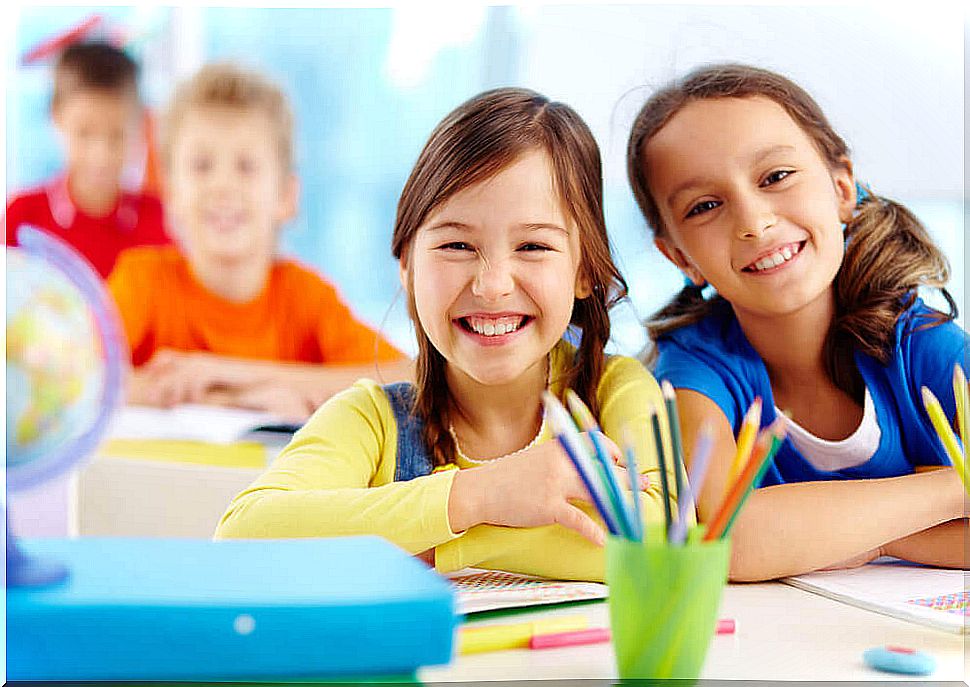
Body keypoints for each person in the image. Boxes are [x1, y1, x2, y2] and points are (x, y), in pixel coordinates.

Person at [216, 87, 675, 581]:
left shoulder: (616, 392)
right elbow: (245, 534)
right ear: (407, 265)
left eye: (533, 246)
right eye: (457, 244)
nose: (493, 285)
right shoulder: (372, 420)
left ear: (585, 272)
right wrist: (478, 495)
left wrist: (443, 546)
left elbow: (664, 540)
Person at [626, 63, 968, 581]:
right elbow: (728, 538)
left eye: (776, 177)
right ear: (680, 257)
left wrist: (830, 533)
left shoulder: (924, 347)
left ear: (842, 188)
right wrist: (951, 491)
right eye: (706, 206)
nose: (754, 221)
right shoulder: (695, 370)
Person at [107, 63, 409, 420]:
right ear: (171, 194)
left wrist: (233, 375)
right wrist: (222, 401)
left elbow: (411, 379)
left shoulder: (306, 298)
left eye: (246, 166)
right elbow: (76, 379)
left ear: (286, 196)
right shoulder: (142, 280)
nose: (222, 185)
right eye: (202, 166)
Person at [5, 41, 169, 278]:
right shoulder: (22, 217)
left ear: (141, 123)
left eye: (117, 135)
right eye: (84, 132)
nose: (100, 154)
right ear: (56, 116)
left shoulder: (160, 221)